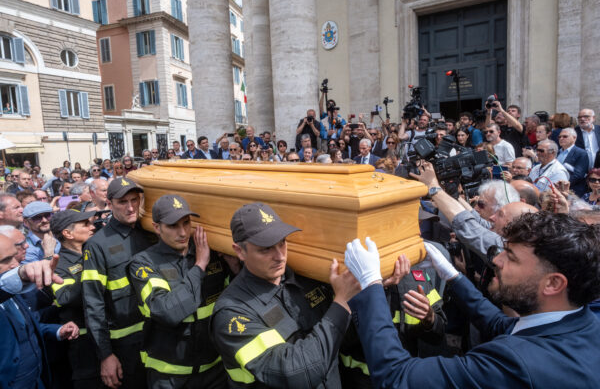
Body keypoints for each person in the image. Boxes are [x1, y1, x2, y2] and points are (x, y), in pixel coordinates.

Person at [343, 211, 600, 388]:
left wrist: (370, 285)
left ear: (553, 283)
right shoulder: (581, 322)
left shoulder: (517, 363)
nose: (496, 260)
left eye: (511, 257)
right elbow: (500, 325)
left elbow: (397, 377)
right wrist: (454, 277)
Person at [210, 202, 359, 388]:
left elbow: (346, 338)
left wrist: (371, 291)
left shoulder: (306, 281)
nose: (280, 256)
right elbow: (296, 373)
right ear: (240, 251)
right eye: (266, 249)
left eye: (282, 243)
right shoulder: (232, 314)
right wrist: (342, 301)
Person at [129, 195, 230, 388]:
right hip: (169, 376)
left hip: (214, 371)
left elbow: (232, 299)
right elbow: (167, 311)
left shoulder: (211, 254)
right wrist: (199, 266)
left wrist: (235, 269)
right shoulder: (144, 263)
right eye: (173, 226)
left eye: (186, 223)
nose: (183, 232)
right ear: (157, 228)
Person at [82, 177, 156, 389]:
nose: (131, 207)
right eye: (123, 202)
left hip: (159, 338)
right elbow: (93, 304)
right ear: (110, 202)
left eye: (135, 200)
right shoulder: (97, 245)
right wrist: (105, 355)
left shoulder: (150, 234)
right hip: (125, 346)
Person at [0, 235, 80, 389]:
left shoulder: (14, 294)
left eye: (14, 257)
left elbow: (29, 324)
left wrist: (57, 330)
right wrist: (21, 274)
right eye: (5, 260)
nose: (14, 265)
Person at [49, 209, 101, 388]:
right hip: (83, 345)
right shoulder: (58, 265)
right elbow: (65, 297)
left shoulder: (93, 252)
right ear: (67, 233)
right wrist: (92, 269)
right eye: (85, 224)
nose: (92, 227)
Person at [557, 127, 589, 196]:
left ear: (574, 138)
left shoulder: (581, 153)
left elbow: (578, 175)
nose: (561, 138)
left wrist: (562, 186)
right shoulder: (557, 152)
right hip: (556, 188)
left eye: (565, 136)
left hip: (572, 190)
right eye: (559, 137)